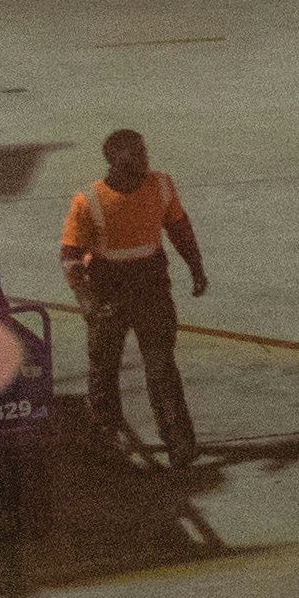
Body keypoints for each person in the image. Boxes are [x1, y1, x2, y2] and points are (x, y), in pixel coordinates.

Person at [60, 126, 208, 461]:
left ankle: (179, 444)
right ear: (113, 159)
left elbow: (180, 229)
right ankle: (105, 439)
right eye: (136, 152)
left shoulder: (162, 186)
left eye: (144, 150)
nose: (145, 157)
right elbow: (70, 258)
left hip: (151, 287)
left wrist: (196, 267)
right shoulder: (89, 200)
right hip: (107, 292)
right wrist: (88, 303)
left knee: (161, 367)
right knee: (103, 369)